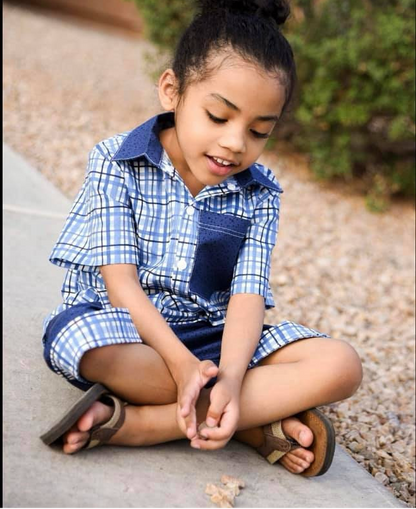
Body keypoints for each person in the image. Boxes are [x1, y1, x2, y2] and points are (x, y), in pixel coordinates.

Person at [40, 0, 362, 477]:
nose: (236, 143)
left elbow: (247, 296)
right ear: (172, 90)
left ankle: (151, 422)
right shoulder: (116, 160)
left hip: (214, 336)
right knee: (81, 344)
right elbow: (120, 285)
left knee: (341, 365)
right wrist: (181, 365)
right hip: (131, 329)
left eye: (258, 131)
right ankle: (250, 423)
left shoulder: (260, 192)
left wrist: (230, 377)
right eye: (218, 116)